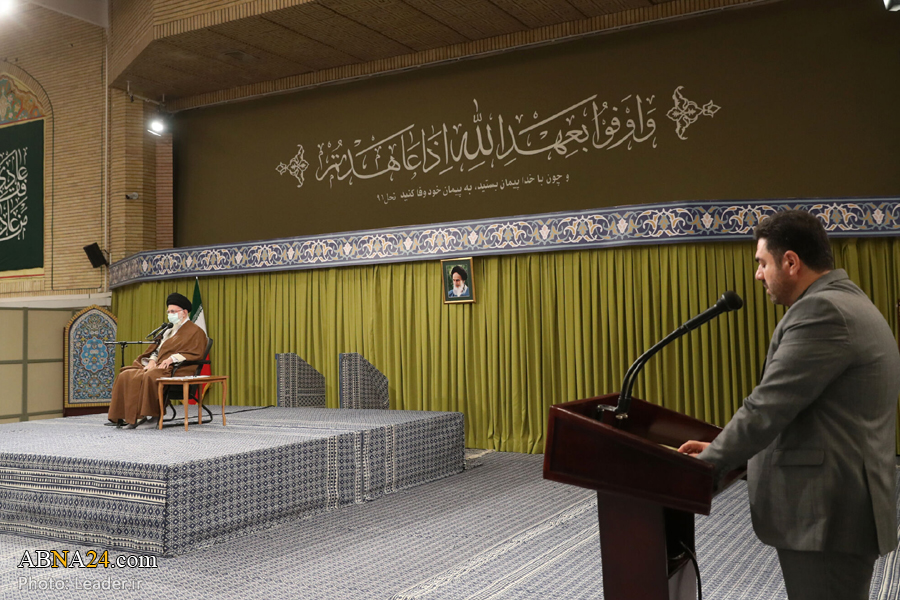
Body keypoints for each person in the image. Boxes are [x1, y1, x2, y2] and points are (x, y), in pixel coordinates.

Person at [678, 210, 900, 600]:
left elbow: (768, 407)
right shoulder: (846, 299)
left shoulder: (823, 311)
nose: (758, 275)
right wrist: (721, 448)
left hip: (827, 517)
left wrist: (708, 463)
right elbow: (813, 416)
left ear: (791, 262)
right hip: (839, 508)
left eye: (762, 263)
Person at [107, 293, 208, 429]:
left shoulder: (195, 331)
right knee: (126, 375)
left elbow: (195, 352)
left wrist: (171, 359)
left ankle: (154, 416)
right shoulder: (168, 330)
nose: (170, 315)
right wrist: (152, 361)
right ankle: (130, 417)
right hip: (158, 366)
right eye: (168, 312)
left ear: (184, 312)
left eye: (173, 312)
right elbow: (157, 350)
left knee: (150, 376)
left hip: (176, 369)